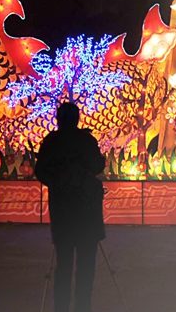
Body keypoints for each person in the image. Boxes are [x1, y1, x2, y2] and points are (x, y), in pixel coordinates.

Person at [35, 102, 105, 312]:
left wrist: (57, 182)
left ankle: (61, 306)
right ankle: (83, 305)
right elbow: (98, 165)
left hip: (63, 213)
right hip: (87, 214)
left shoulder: (52, 141)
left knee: (63, 265)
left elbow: (41, 170)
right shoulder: (86, 140)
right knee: (86, 266)